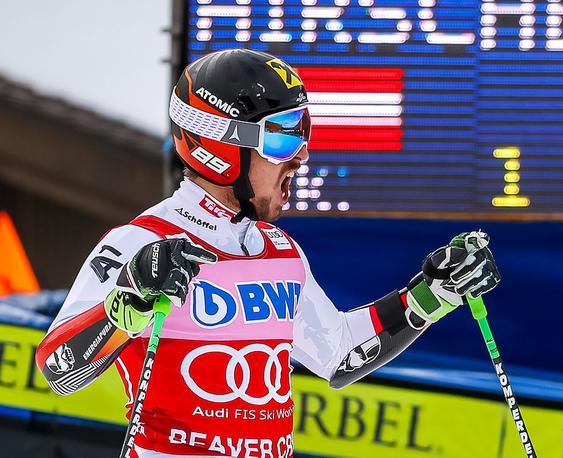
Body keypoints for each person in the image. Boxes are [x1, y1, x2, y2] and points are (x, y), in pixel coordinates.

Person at [36, 49, 500, 458]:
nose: (299, 157)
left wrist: (434, 294)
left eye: (303, 135)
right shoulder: (141, 242)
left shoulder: (280, 252)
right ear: (219, 146)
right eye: (280, 138)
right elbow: (59, 370)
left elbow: (338, 354)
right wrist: (129, 302)